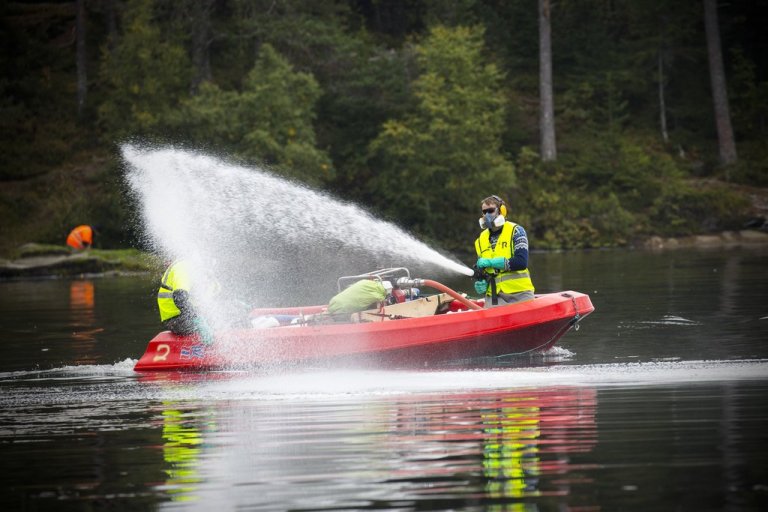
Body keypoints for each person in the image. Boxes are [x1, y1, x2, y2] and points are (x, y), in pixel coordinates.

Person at [473, 195, 535, 307]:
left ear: (502, 211)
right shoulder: (480, 240)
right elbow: (483, 271)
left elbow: (521, 262)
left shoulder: (516, 231)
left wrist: (491, 262)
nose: (487, 215)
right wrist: (481, 282)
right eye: (484, 211)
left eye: (490, 211)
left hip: (520, 295)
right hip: (495, 297)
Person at [157, 259, 213, 339]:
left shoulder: (201, 272)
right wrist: (197, 320)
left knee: (218, 320)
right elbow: (179, 298)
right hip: (176, 319)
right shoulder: (183, 268)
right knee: (212, 325)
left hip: (186, 315)